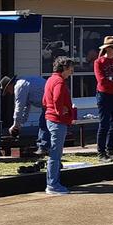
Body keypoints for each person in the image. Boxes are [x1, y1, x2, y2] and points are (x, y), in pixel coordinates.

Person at [42, 56, 77, 195]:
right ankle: (52, 184)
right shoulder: (59, 82)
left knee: (55, 152)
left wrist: (55, 109)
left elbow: (45, 101)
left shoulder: (50, 79)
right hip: (57, 120)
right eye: (70, 68)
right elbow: (56, 99)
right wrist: (61, 111)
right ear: (64, 68)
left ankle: (53, 182)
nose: (72, 71)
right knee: (56, 153)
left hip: (50, 118)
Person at [0, 74, 49, 156]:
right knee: (44, 123)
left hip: (51, 101)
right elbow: (25, 108)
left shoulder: (19, 86)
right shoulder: (23, 84)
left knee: (43, 124)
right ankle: (45, 146)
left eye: (7, 90)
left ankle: (44, 148)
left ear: (9, 85)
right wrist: (20, 125)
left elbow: (19, 108)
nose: (9, 93)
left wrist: (15, 125)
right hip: (47, 102)